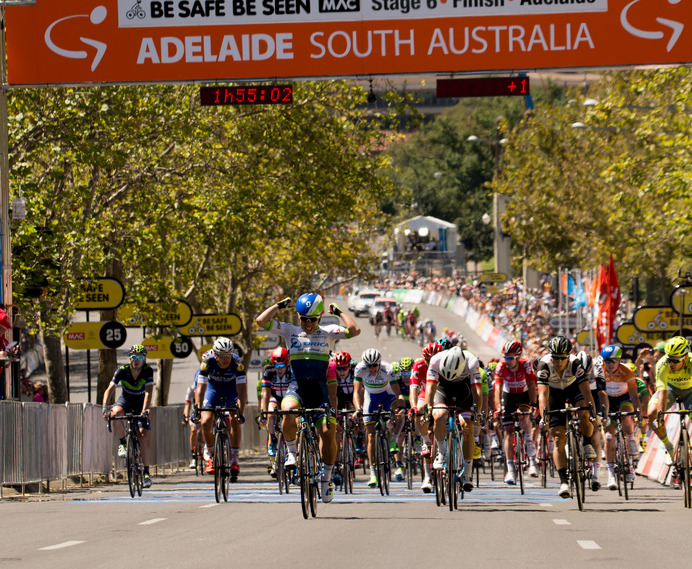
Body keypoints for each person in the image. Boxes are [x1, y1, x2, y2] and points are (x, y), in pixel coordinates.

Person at [255, 293, 360, 504]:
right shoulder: (289, 330)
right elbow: (260, 321)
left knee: (328, 432)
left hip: (320, 391)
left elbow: (355, 330)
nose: (308, 324)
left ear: (320, 316)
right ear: (298, 317)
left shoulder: (328, 332)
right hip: (298, 387)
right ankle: (292, 453)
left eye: (312, 319)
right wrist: (277, 305)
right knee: (287, 410)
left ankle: (326, 478)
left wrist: (338, 312)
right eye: (304, 319)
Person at [536, 335, 597, 499]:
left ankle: (586, 442)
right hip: (554, 392)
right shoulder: (544, 365)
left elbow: (586, 391)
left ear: (568, 357)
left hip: (573, 388)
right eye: (555, 358)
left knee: (584, 412)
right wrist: (545, 417)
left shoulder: (576, 364)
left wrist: (592, 412)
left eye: (562, 359)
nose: (558, 363)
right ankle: (564, 482)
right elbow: (542, 395)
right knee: (557, 438)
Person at [426, 345, 482, 493]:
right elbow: (430, 389)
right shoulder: (435, 360)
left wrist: (477, 411)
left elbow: (477, 390)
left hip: (464, 390)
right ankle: (442, 452)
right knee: (439, 416)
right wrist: (428, 408)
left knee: (467, 426)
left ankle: (467, 474)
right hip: (443, 388)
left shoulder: (472, 361)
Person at [102, 344, 155, 488]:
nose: (137, 360)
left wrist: (145, 410)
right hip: (125, 400)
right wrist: (105, 407)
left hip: (141, 403)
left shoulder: (147, 370)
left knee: (143, 437)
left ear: (144, 359)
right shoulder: (122, 370)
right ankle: (123, 444)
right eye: (134, 357)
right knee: (115, 413)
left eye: (140, 358)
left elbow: (149, 392)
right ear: (130, 358)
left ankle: (146, 472)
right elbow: (110, 389)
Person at [195, 337, 247, 480]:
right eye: (222, 356)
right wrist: (197, 410)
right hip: (213, 390)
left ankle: (234, 460)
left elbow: (242, 391)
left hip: (231, 390)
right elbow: (200, 389)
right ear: (215, 355)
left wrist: (240, 412)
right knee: (206, 421)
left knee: (234, 419)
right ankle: (211, 456)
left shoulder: (237, 363)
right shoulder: (207, 362)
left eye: (228, 355)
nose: (226, 359)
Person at [353, 348, 406, 486]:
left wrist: (400, 408)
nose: (372, 369)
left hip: (387, 396)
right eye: (369, 366)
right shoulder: (359, 369)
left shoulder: (388, 369)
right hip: (371, 398)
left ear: (380, 363)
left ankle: (394, 439)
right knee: (370, 434)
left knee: (397, 411)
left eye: (375, 365)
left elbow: (398, 393)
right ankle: (372, 473)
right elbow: (357, 392)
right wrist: (358, 409)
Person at [596, 345, 642, 490]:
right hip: (608, 400)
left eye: (613, 361)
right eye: (606, 361)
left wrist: (638, 411)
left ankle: (631, 437)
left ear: (619, 360)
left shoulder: (626, 371)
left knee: (626, 416)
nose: (609, 364)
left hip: (624, 398)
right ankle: (610, 475)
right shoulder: (600, 370)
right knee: (609, 437)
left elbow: (634, 395)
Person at [494, 340, 538, 485]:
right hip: (509, 396)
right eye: (505, 357)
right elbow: (498, 389)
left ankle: (532, 461)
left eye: (510, 358)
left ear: (518, 356)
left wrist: (533, 405)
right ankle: (510, 470)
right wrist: (498, 407)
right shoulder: (501, 367)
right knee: (508, 431)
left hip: (524, 395)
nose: (507, 360)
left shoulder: (525, 365)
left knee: (524, 419)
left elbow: (532, 386)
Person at [647, 336, 692, 466]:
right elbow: (662, 391)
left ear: (684, 357)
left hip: (690, 390)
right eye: (669, 359)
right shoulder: (662, 364)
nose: (670, 363)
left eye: (674, 360)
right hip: (670, 389)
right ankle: (668, 446)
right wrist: (660, 415)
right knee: (652, 414)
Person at [410, 341, 444, 492]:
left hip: (442, 393)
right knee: (420, 409)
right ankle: (427, 477)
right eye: (428, 360)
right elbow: (414, 390)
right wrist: (414, 407)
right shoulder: (418, 366)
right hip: (426, 393)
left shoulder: (445, 364)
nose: (431, 363)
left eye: (434, 359)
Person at [259, 346, 293, 477]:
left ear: (287, 364)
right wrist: (263, 412)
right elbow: (265, 395)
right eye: (276, 366)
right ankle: (273, 440)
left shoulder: (291, 371)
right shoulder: (268, 371)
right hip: (275, 397)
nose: (279, 369)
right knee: (270, 411)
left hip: (288, 397)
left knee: (289, 415)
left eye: (282, 366)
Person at [578, 350, 607, 491]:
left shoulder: (597, 368)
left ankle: (595, 476)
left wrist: (604, 415)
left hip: (594, 394)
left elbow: (602, 393)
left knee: (595, 430)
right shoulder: (572, 366)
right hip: (577, 392)